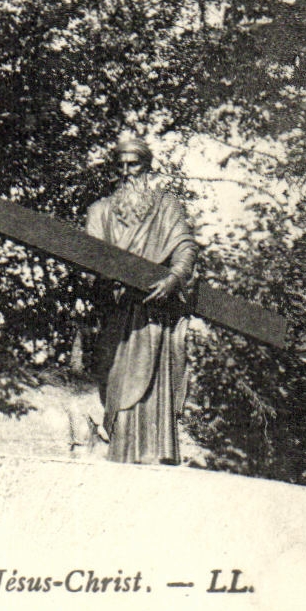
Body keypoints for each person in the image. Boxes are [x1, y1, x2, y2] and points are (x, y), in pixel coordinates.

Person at [85, 132, 198, 464]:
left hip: (153, 315)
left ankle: (154, 453)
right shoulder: (101, 211)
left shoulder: (167, 207)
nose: (126, 172)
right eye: (120, 165)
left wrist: (174, 279)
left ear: (147, 167)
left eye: (133, 165)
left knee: (151, 387)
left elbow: (185, 248)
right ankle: (121, 450)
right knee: (117, 381)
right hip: (119, 314)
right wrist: (101, 280)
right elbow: (91, 258)